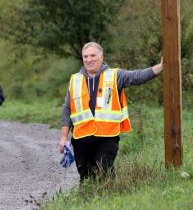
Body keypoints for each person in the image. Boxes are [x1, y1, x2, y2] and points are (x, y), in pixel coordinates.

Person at [59, 42, 163, 182]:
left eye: (93, 55)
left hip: (107, 137)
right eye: (86, 56)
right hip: (81, 140)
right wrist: (64, 137)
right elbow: (67, 109)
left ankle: (110, 198)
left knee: (105, 172)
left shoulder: (115, 75)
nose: (89, 59)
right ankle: (87, 202)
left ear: (102, 57)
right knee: (86, 179)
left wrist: (161, 67)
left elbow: (136, 77)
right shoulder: (75, 80)